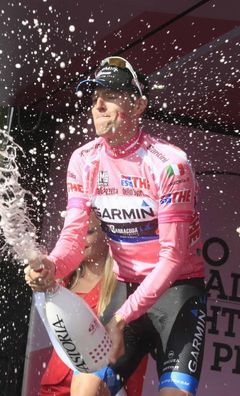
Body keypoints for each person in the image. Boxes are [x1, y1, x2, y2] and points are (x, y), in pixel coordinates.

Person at [25, 56, 206, 396]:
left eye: (111, 94)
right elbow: (74, 238)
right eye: (94, 97)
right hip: (126, 289)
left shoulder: (169, 164)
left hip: (177, 292)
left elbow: (172, 258)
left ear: (138, 105)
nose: (98, 105)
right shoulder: (84, 160)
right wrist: (50, 266)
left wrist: (120, 319)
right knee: (83, 392)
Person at [34, 212, 147, 396]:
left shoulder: (127, 289)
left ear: (108, 234)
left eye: (88, 232)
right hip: (54, 389)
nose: (79, 239)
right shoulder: (61, 279)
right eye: (75, 232)